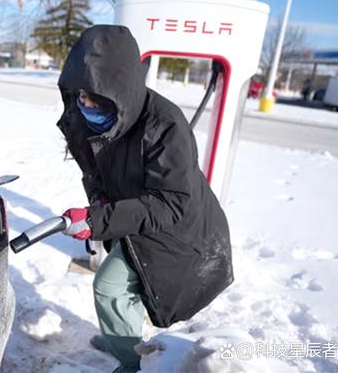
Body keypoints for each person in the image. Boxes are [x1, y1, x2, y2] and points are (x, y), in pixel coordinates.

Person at [57, 25, 234, 372]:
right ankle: (123, 339)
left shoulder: (164, 125)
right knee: (122, 294)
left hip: (179, 233)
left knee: (110, 288)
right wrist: (99, 201)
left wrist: (97, 221)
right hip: (136, 219)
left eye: (96, 98)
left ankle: (132, 363)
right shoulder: (89, 119)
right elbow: (94, 172)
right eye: (82, 95)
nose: (86, 105)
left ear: (119, 89)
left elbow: (172, 203)